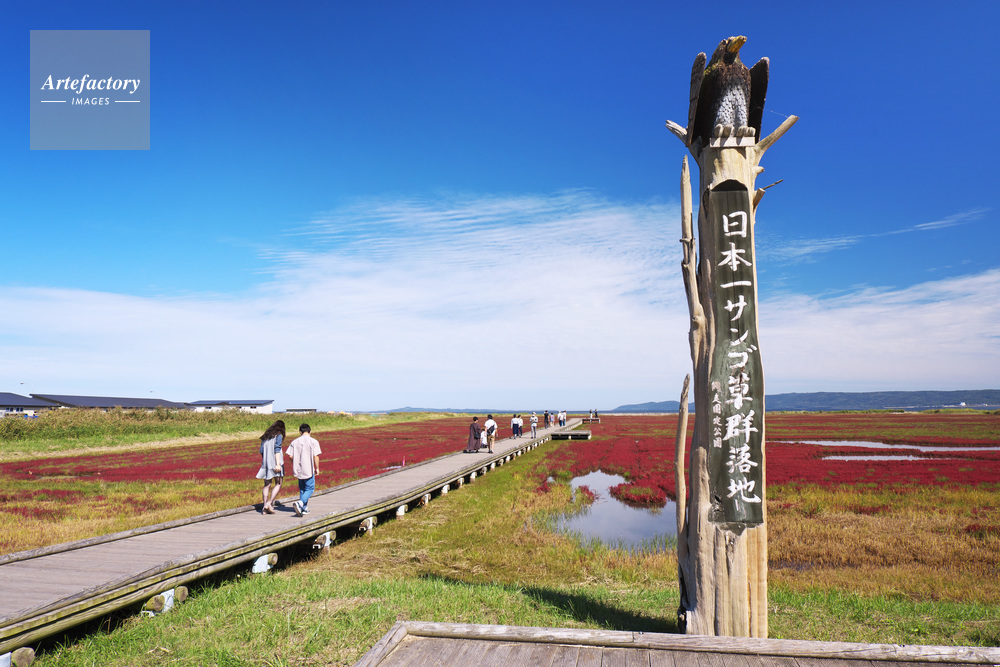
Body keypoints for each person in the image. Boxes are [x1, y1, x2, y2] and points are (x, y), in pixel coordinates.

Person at [286, 423, 321, 516]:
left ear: (300, 432)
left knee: (302, 489)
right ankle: (300, 503)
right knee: (310, 488)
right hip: (308, 469)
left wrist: (295, 463)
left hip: (298, 469)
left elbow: (290, 456)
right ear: (310, 431)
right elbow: (316, 456)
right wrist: (317, 468)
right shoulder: (313, 441)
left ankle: (304, 508)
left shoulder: (294, 442)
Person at [255, 419, 286, 514]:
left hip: (266, 464)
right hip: (276, 463)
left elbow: (261, 451)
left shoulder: (265, 437)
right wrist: (278, 464)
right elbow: (277, 449)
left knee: (267, 485)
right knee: (278, 483)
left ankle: (264, 507)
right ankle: (269, 503)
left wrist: (266, 459)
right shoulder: (278, 436)